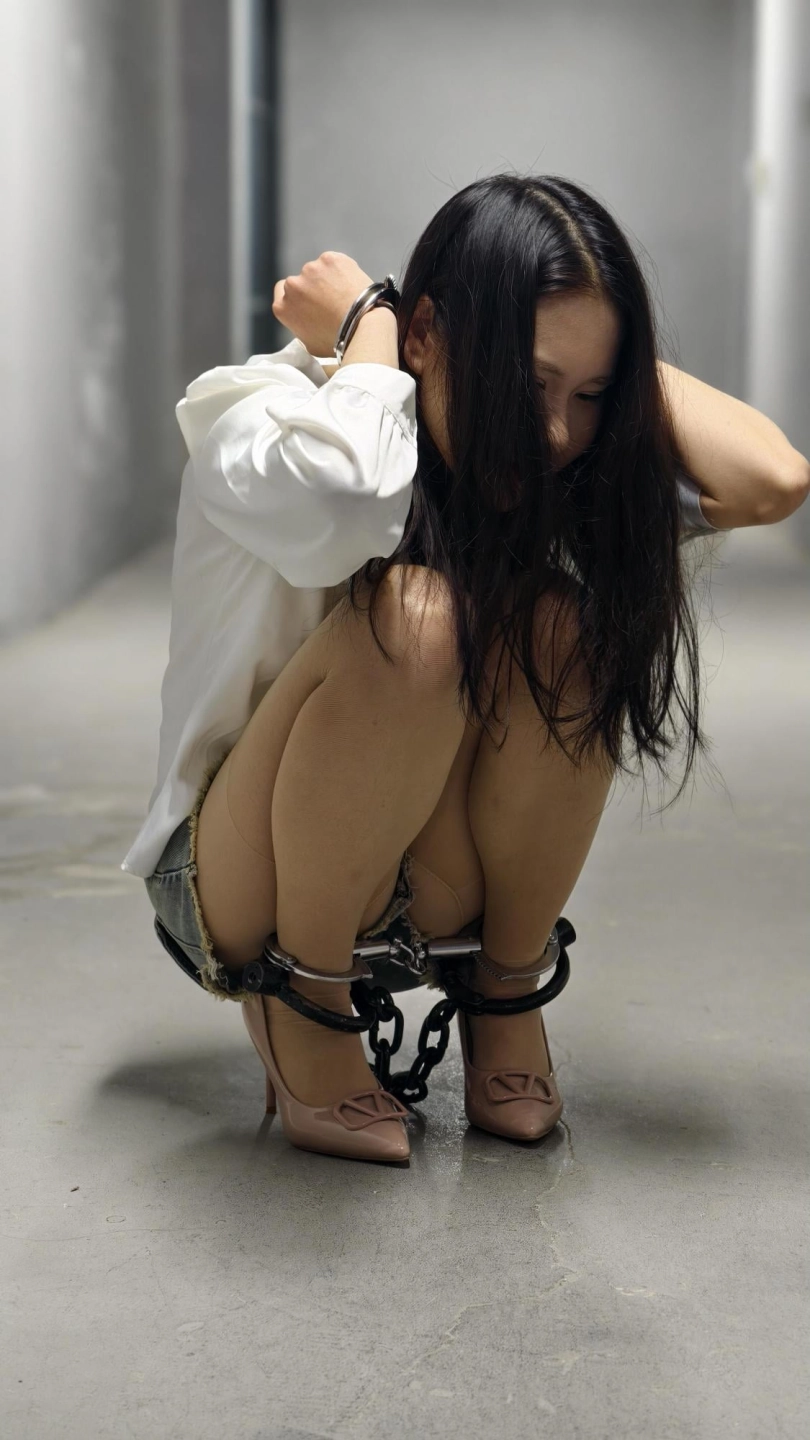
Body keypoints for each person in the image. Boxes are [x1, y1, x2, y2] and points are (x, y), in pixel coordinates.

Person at [121, 173, 809, 1167]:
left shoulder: (556, 467)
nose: (558, 434)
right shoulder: (264, 413)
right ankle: (307, 1001)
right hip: (242, 880)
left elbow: (772, 480)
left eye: (588, 396)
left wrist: (599, 354)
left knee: (564, 626)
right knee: (421, 621)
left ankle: (507, 986)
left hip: (422, 875)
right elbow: (350, 498)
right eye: (529, 385)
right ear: (428, 334)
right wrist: (370, 319)